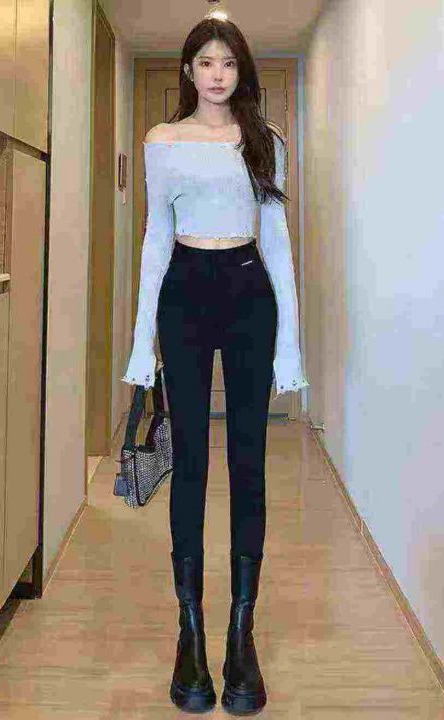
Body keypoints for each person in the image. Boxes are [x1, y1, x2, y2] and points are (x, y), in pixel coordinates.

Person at [121, 16, 309, 716]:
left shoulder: (265, 140)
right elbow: (155, 239)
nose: (217, 74)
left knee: (248, 462)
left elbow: (278, 242)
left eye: (228, 62)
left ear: (241, 70)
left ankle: (241, 636)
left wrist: (290, 347)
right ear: (188, 71)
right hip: (185, 294)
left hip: (248, 290)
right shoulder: (162, 141)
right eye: (205, 62)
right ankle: (190, 633)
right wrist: (140, 345)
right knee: (192, 464)